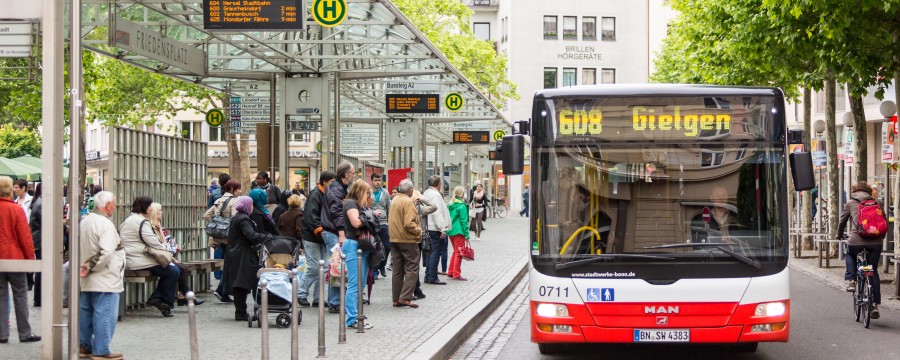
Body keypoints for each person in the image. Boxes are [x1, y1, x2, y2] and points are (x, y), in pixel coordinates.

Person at [77, 191, 123, 359]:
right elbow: (106, 251)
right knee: (105, 313)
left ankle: (84, 345)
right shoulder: (105, 224)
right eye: (114, 204)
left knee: (86, 311)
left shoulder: (86, 221)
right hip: (105, 276)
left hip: (88, 278)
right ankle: (101, 349)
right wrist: (89, 266)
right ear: (108, 205)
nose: (115, 207)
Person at [120, 196, 180, 317]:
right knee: (173, 271)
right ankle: (162, 301)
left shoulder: (128, 220)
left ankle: (159, 298)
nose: (151, 209)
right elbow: (153, 241)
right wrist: (165, 249)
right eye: (149, 206)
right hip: (139, 259)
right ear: (144, 207)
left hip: (130, 258)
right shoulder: (142, 222)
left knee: (172, 270)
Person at [0, 176, 40, 344]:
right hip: (15, 258)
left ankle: (2, 334)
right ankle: (24, 333)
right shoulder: (16, 210)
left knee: (1, 296)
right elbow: (25, 237)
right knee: (21, 295)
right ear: (11, 190)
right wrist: (30, 259)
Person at [838, 181, 885, 319]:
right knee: (873, 271)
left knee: (850, 254)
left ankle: (852, 280)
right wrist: (880, 236)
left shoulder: (851, 203)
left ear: (854, 190)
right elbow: (884, 221)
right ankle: (875, 305)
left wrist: (839, 235)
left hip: (856, 240)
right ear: (869, 192)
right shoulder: (877, 203)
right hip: (875, 242)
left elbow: (842, 221)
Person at [223, 196, 274, 321]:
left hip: (236, 252)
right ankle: (241, 312)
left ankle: (241, 311)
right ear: (247, 206)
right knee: (241, 284)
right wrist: (266, 237)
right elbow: (250, 235)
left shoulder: (237, 217)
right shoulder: (244, 219)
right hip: (241, 254)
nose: (252, 207)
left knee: (241, 283)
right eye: (251, 205)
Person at [146, 203, 205, 307]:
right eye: (160, 210)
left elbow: (166, 245)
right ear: (155, 212)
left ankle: (182, 296)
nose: (162, 212)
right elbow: (159, 246)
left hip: (163, 257)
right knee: (178, 269)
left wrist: (172, 257)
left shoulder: (159, 227)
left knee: (183, 267)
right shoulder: (151, 227)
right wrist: (172, 259)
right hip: (156, 258)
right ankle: (185, 296)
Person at [297, 172, 336, 307]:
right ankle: (300, 293)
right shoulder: (315, 194)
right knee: (314, 266)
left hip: (323, 236)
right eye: (331, 182)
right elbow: (311, 216)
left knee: (324, 267)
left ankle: (318, 298)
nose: (333, 185)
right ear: (324, 182)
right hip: (312, 236)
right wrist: (320, 229)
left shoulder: (327, 194)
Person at [321, 162, 356, 313]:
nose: (354, 176)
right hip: (333, 231)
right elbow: (336, 211)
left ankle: (335, 300)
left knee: (337, 265)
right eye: (353, 173)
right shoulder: (336, 189)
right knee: (336, 266)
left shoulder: (339, 188)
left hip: (334, 230)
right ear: (346, 174)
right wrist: (342, 232)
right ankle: (334, 301)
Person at [342, 180, 374, 329]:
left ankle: (356, 314)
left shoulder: (359, 205)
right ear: (362, 192)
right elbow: (355, 222)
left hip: (361, 246)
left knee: (360, 283)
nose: (370, 195)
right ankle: (352, 318)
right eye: (368, 192)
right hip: (354, 245)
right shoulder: (350, 204)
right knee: (355, 283)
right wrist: (370, 215)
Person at [204, 179, 241, 302]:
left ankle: (223, 291)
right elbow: (236, 218)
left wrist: (218, 222)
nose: (239, 191)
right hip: (230, 237)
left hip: (219, 237)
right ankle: (221, 289)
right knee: (230, 265)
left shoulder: (218, 201)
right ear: (232, 189)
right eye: (238, 189)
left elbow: (206, 216)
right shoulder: (235, 201)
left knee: (227, 264)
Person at [389, 179, 423, 308]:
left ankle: (396, 298)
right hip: (407, 239)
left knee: (397, 269)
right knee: (412, 268)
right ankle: (405, 297)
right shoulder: (407, 202)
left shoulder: (394, 200)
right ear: (411, 190)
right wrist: (418, 231)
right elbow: (409, 223)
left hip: (395, 238)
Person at [423, 175, 451, 286]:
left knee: (430, 252)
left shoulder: (426, 193)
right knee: (436, 252)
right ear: (439, 184)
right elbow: (436, 212)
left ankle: (428, 275)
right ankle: (432, 277)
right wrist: (442, 229)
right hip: (435, 228)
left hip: (429, 227)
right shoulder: (436, 195)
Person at [446, 186, 471, 281]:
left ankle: (450, 271)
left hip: (451, 231)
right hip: (459, 232)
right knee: (459, 253)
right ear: (461, 194)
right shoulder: (462, 206)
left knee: (455, 251)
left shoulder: (450, 204)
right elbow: (464, 221)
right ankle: (456, 274)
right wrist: (467, 235)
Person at [370, 173, 391, 279]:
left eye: (379, 180)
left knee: (387, 246)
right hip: (372, 223)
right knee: (374, 247)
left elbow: (389, 208)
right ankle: (375, 269)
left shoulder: (385, 192)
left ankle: (382, 265)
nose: (378, 182)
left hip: (383, 223)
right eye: (375, 180)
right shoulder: (368, 192)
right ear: (372, 181)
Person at [28, 183, 43, 307]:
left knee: (41, 269)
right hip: (41, 240)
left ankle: (39, 298)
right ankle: (39, 298)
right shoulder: (41, 203)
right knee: (41, 269)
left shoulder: (38, 201)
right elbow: (47, 221)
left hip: (38, 239)